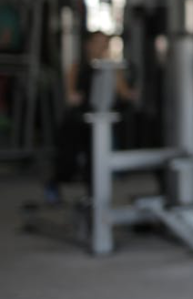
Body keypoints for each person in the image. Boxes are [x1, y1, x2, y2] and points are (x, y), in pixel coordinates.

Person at [45, 31, 136, 204]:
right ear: (88, 44)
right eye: (97, 42)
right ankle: (54, 185)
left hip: (100, 122)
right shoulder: (78, 67)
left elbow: (123, 93)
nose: (100, 46)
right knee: (67, 161)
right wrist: (73, 96)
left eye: (104, 43)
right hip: (78, 120)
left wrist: (131, 95)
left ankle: (94, 197)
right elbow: (70, 94)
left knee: (94, 162)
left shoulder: (112, 69)